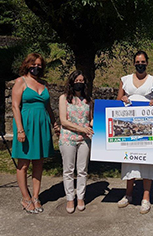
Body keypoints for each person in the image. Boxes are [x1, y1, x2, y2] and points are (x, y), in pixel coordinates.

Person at [12, 53, 59, 214]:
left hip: (41, 126)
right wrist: (20, 129)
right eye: (34, 64)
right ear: (27, 64)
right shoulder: (20, 82)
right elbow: (15, 106)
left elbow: (48, 107)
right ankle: (25, 198)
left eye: (39, 65)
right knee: (24, 163)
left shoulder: (43, 84)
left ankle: (36, 196)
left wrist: (54, 124)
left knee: (39, 162)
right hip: (26, 125)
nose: (36, 67)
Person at [116, 50, 153, 214]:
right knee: (128, 161)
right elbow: (116, 102)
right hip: (128, 128)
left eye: (143, 62)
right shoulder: (124, 80)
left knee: (147, 161)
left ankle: (146, 197)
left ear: (147, 63)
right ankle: (128, 194)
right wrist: (123, 99)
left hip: (147, 128)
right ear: (134, 63)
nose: (140, 64)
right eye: (137, 62)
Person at [59, 70, 94, 214]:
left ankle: (80, 197)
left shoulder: (88, 100)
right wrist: (81, 128)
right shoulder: (64, 98)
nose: (79, 83)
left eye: (82, 81)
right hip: (68, 138)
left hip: (84, 139)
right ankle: (69, 198)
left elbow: (91, 119)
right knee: (68, 170)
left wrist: (97, 121)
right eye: (76, 81)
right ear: (71, 82)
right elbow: (63, 121)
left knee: (82, 170)